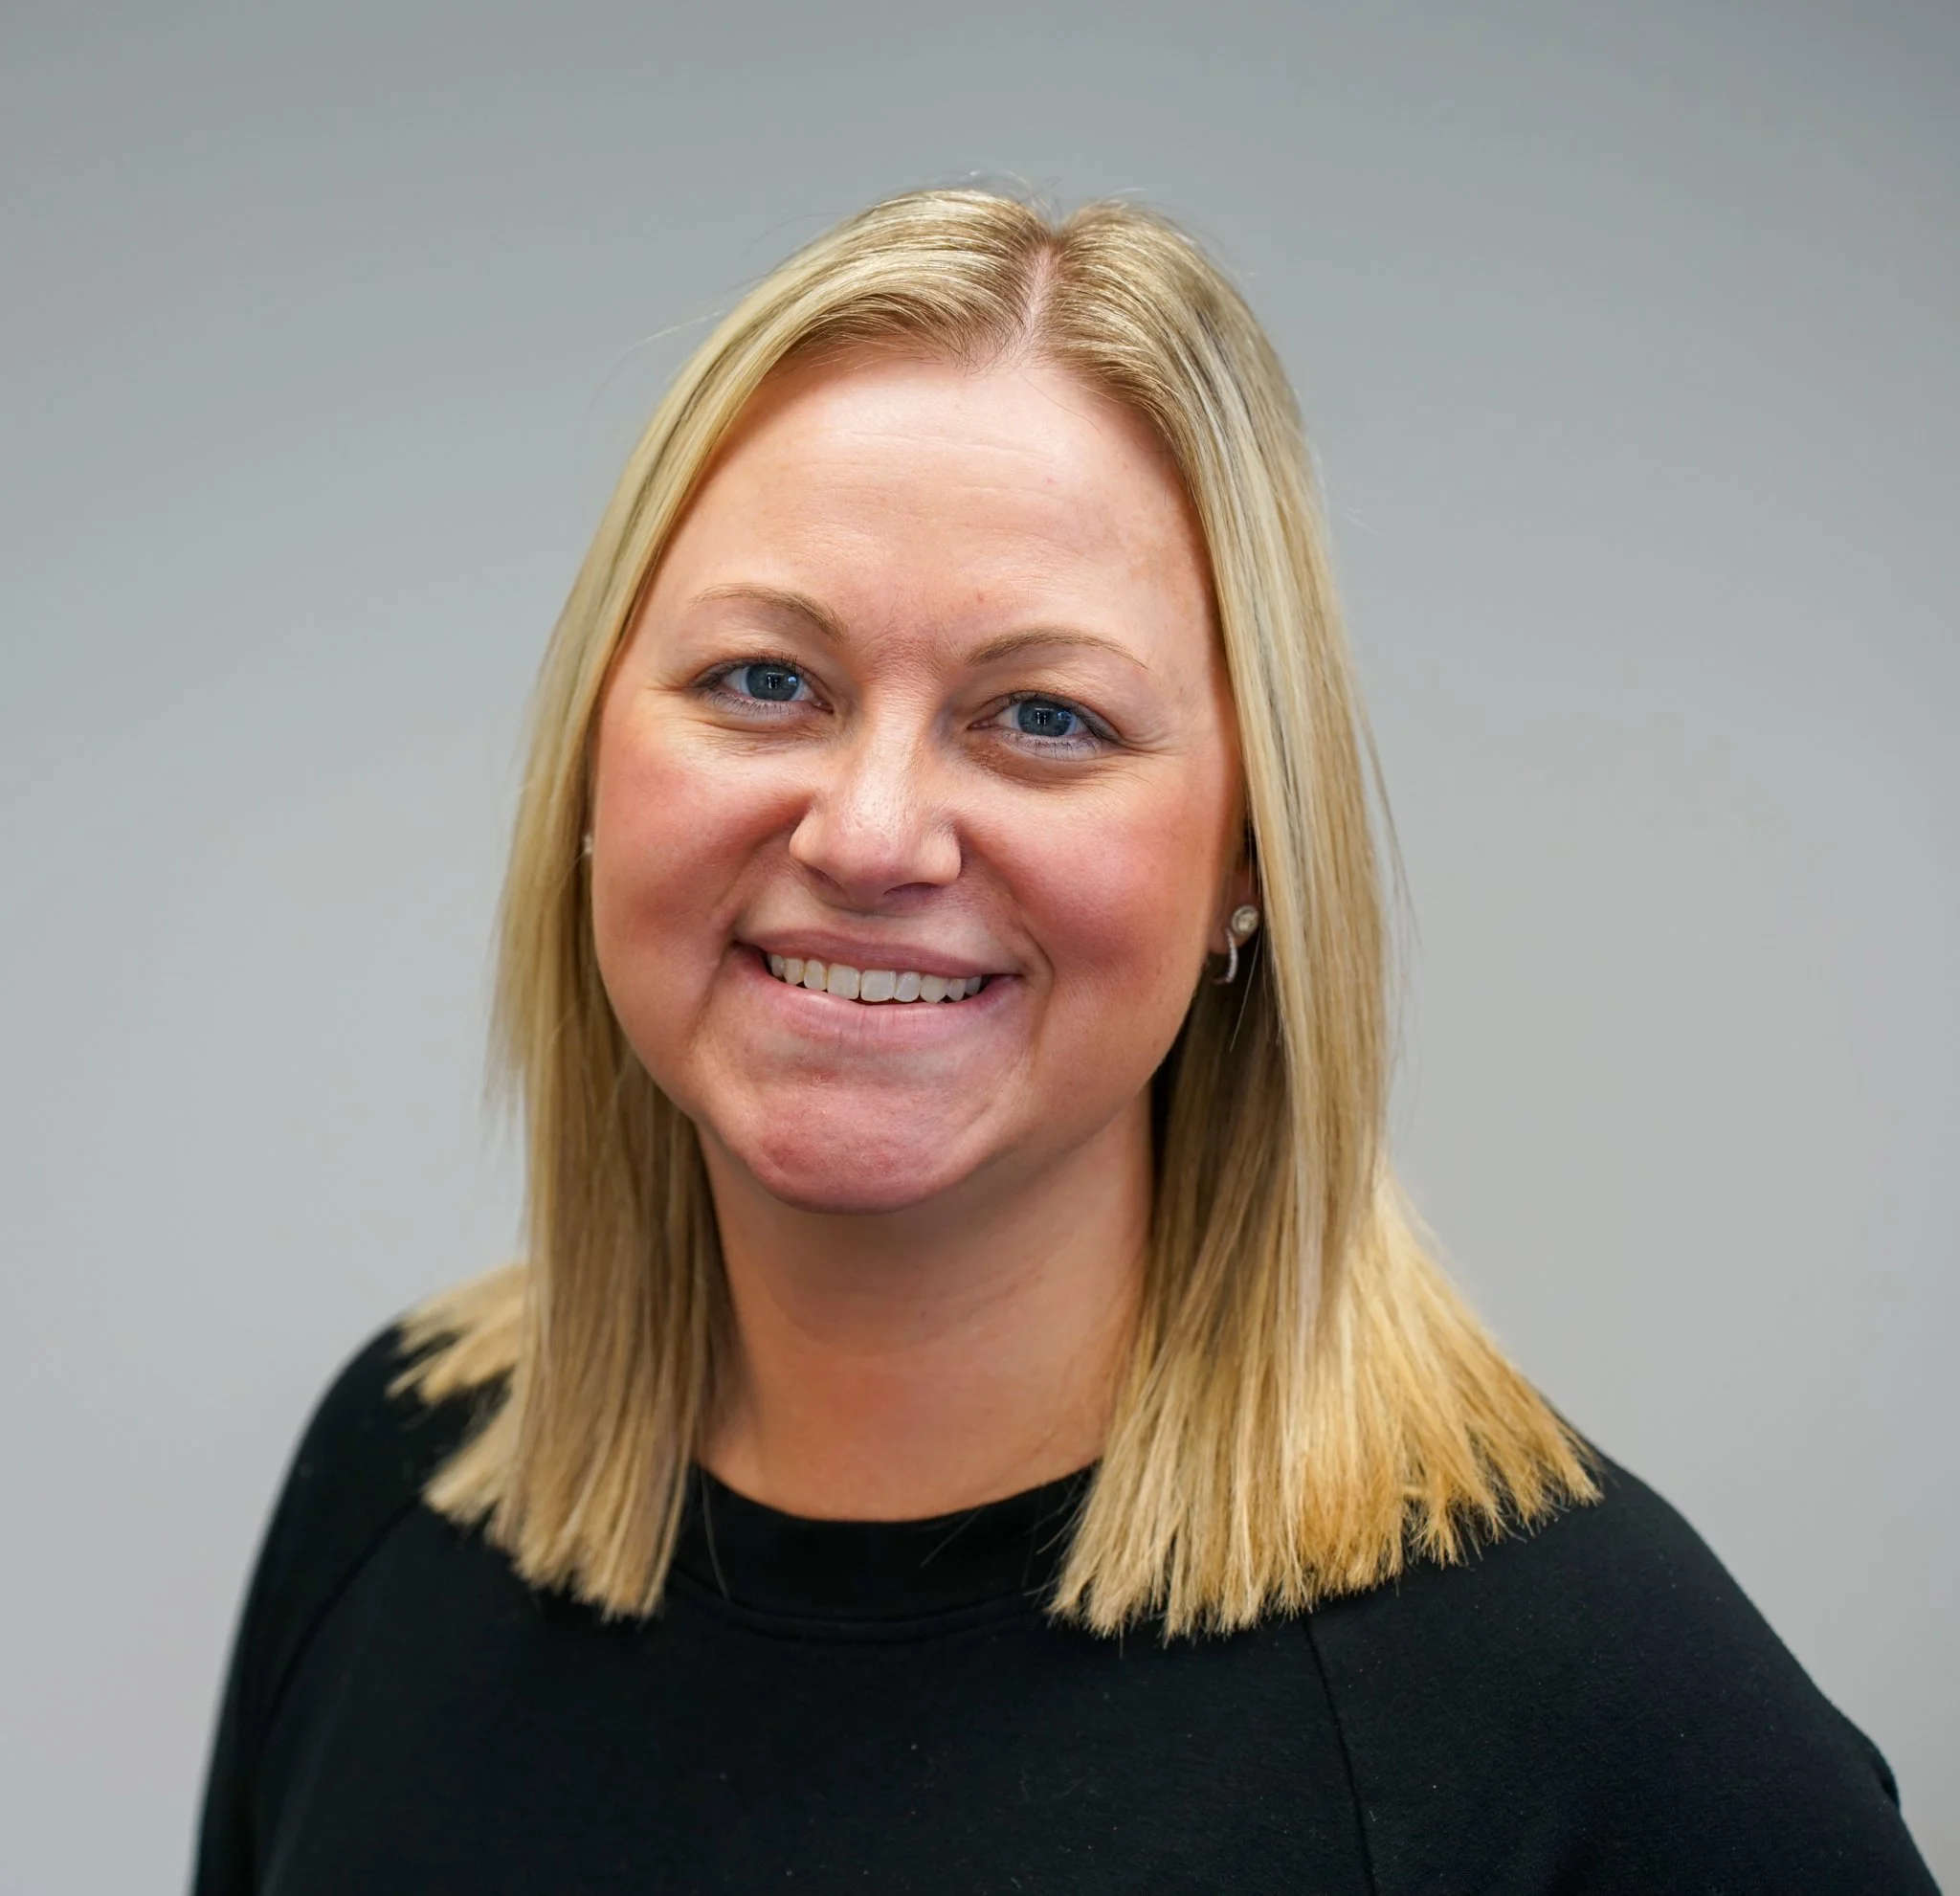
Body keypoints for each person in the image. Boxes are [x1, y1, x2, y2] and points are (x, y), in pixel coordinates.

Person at [191, 189, 1938, 1894]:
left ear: (1251, 857)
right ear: (593, 770)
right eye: (762, 683)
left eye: (1045, 717)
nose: (871, 836)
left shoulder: (1574, 1714)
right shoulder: (395, 1487)